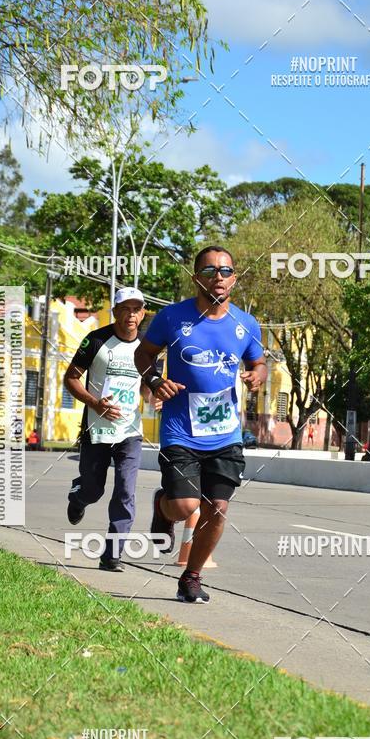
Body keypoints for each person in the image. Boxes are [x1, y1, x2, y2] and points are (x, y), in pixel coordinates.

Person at [134, 245, 267, 604]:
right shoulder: (171, 317)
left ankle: (191, 577)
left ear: (234, 278)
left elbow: (259, 363)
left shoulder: (246, 323)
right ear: (196, 278)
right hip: (180, 429)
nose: (218, 277)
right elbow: (143, 353)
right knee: (184, 506)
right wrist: (154, 380)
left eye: (225, 271)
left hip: (225, 433)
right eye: (209, 271)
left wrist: (258, 375)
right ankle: (163, 506)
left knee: (218, 507)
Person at [64, 287, 157, 572]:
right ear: (115, 311)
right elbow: (71, 378)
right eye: (125, 309)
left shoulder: (147, 348)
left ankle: (112, 554)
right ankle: (78, 495)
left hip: (130, 431)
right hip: (97, 429)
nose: (131, 315)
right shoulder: (95, 340)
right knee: (93, 490)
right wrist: (95, 403)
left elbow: (146, 387)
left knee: (126, 491)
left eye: (136, 309)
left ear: (143, 313)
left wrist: (154, 396)